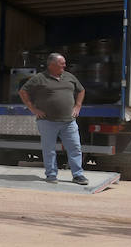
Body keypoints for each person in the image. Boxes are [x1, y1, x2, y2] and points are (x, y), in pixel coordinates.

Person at [19, 53, 89, 185]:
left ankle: (78, 175)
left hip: (69, 122)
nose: (65, 65)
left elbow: (81, 90)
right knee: (49, 150)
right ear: (51, 65)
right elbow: (23, 91)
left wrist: (78, 105)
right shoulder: (39, 78)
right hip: (47, 121)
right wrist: (33, 109)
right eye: (61, 63)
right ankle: (51, 175)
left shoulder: (69, 76)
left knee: (75, 148)